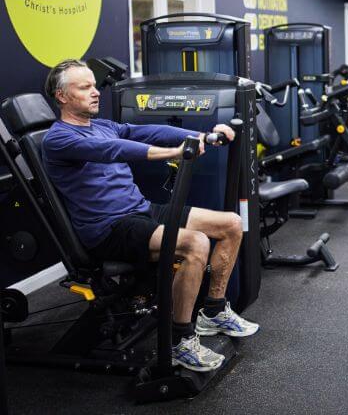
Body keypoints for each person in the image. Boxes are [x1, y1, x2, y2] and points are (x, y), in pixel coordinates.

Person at [41, 59, 259, 373]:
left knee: (231, 224)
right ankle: (181, 341)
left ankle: (212, 311)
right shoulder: (58, 139)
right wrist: (177, 152)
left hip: (140, 210)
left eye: (94, 85)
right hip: (109, 228)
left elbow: (147, 131)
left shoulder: (102, 126)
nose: (95, 92)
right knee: (196, 244)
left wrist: (201, 136)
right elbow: (115, 149)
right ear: (62, 96)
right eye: (84, 87)